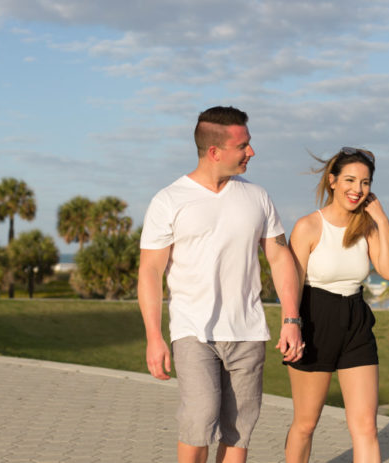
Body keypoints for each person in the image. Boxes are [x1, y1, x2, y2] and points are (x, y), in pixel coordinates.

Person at [138, 106, 304, 463]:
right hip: (193, 331)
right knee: (199, 418)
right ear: (215, 152)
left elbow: (279, 257)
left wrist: (292, 319)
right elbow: (150, 272)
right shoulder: (169, 201)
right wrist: (154, 337)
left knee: (239, 431)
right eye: (243, 145)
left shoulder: (257, 196)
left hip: (248, 332)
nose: (251, 151)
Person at [284, 147, 389, 463]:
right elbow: (291, 286)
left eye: (365, 182)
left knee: (366, 427)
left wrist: (382, 219)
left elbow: (388, 271)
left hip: (357, 323)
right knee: (306, 424)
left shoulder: (368, 227)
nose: (357, 189)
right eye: (350, 180)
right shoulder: (308, 226)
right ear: (332, 181)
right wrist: (290, 325)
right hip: (314, 320)